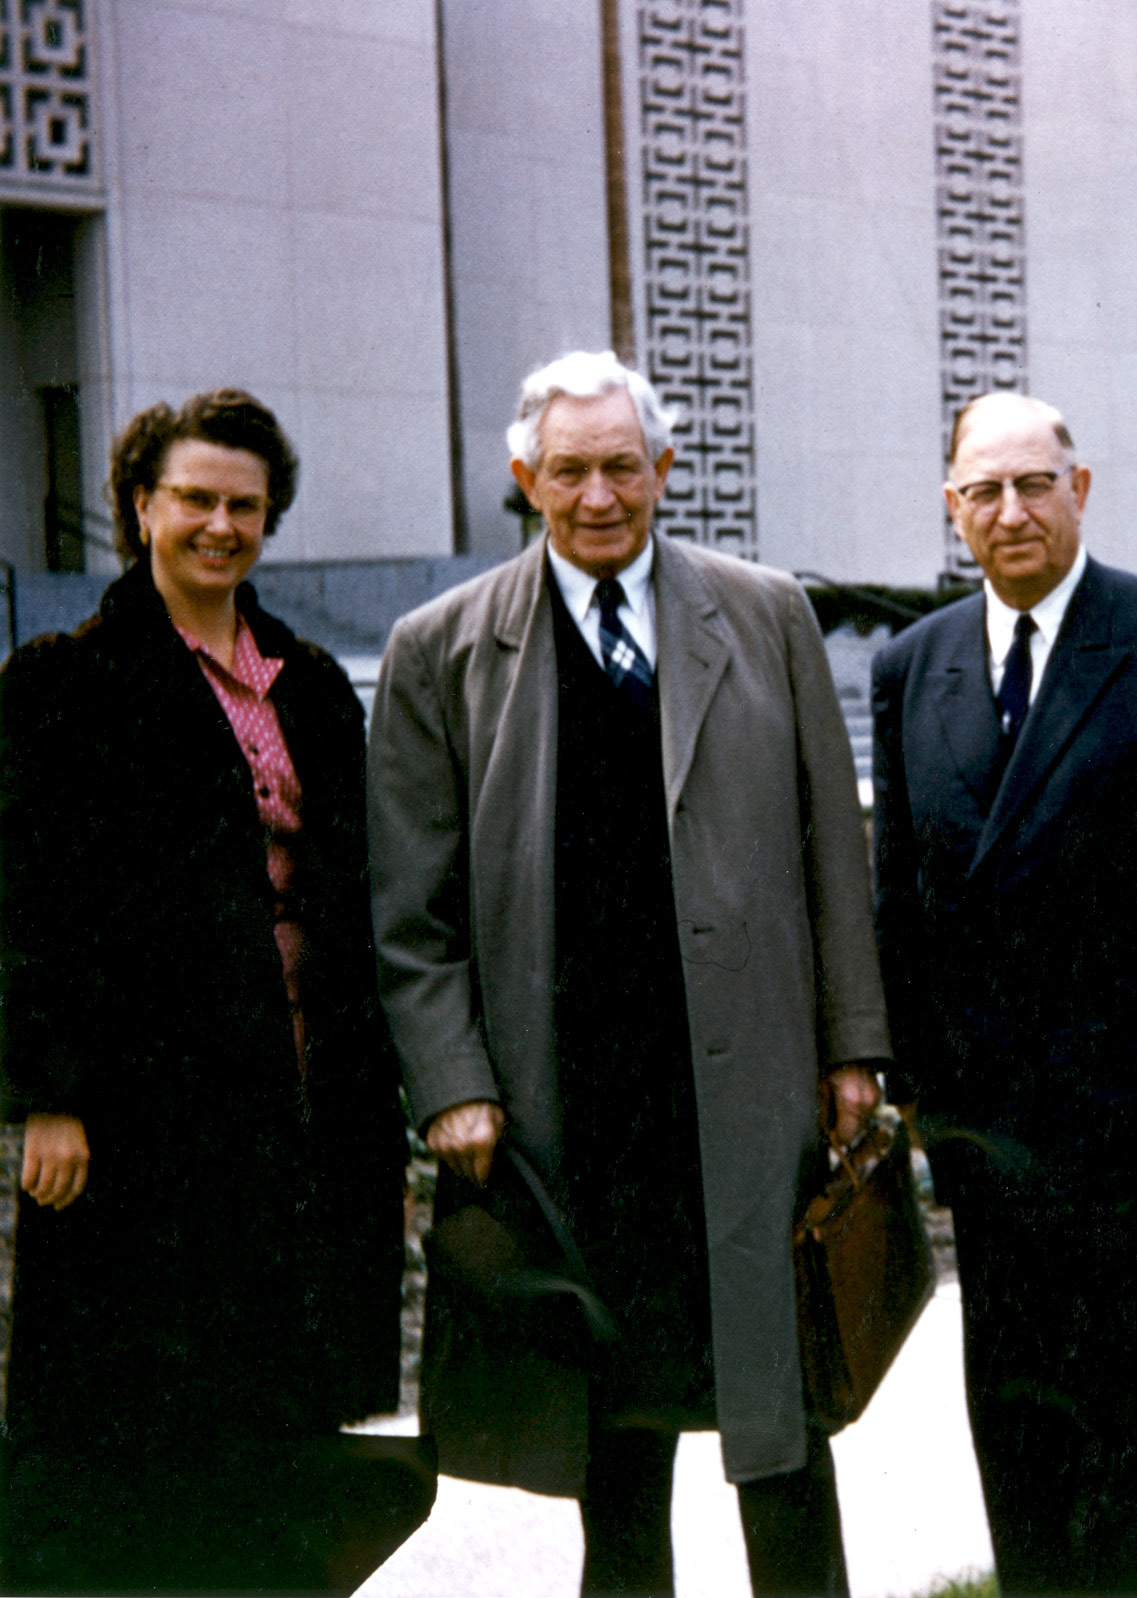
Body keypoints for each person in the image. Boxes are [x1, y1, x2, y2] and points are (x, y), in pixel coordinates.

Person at [368, 350, 891, 1597]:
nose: (597, 495)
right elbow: (408, 910)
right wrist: (451, 1080)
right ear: (522, 479)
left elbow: (833, 846)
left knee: (785, 1426)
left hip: (749, 1095)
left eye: (620, 465)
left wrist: (850, 1044)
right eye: (567, 470)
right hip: (567, 1115)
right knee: (617, 1451)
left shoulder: (764, 613)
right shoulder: (441, 649)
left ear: (663, 467)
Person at [870, 391, 1137, 1596]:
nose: (1011, 512)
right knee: (1023, 1440)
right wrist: (915, 1085)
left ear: (1082, 487)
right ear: (952, 509)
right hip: (990, 1136)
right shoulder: (914, 666)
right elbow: (898, 893)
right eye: (983, 492)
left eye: (1033, 484)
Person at [0, 390, 428, 1593]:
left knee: (281, 1435)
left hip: (299, 1114)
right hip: (141, 1126)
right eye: (194, 497)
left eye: (244, 504)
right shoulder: (63, 681)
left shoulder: (311, 687)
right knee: (137, 1431)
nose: (218, 524)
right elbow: (27, 903)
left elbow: (358, 912)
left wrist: (375, 1139)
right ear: (140, 505)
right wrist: (48, 1094)